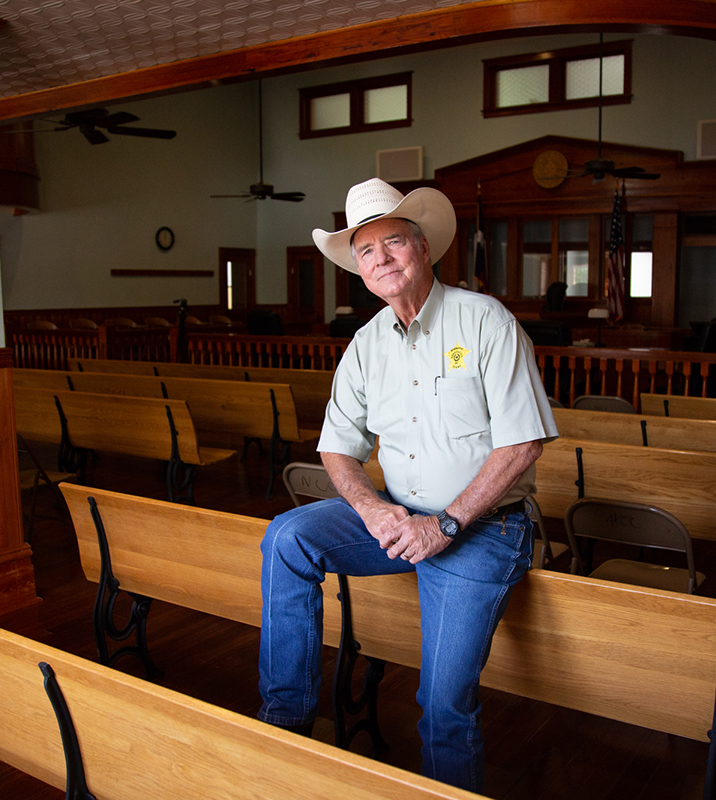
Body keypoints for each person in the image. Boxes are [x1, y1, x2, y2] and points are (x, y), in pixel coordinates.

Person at [258, 178, 558, 792]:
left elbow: (523, 441)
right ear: (360, 272)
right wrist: (372, 511)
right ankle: (284, 728)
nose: (381, 259)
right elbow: (336, 448)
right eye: (366, 252)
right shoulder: (365, 345)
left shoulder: (485, 321)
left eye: (393, 242)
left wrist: (446, 522)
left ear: (424, 248)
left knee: (443, 705)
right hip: (395, 517)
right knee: (287, 539)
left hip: (481, 529)